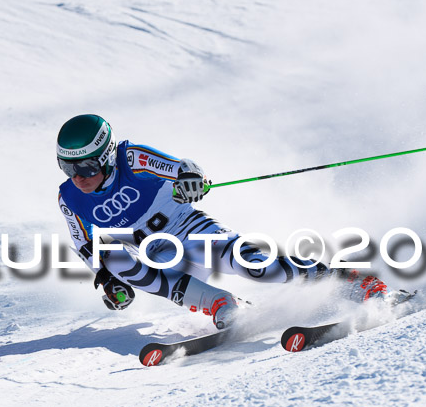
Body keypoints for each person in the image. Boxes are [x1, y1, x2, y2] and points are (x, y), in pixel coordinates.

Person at [57, 114, 408, 329]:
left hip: (189, 231)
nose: (79, 177)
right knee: (114, 260)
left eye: (86, 167)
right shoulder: (69, 198)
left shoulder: (131, 158)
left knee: (257, 267)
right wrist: (106, 280)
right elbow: (86, 245)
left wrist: (192, 179)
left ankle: (354, 282)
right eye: (68, 168)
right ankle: (220, 304)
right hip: (159, 258)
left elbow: (183, 168)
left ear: (106, 156)